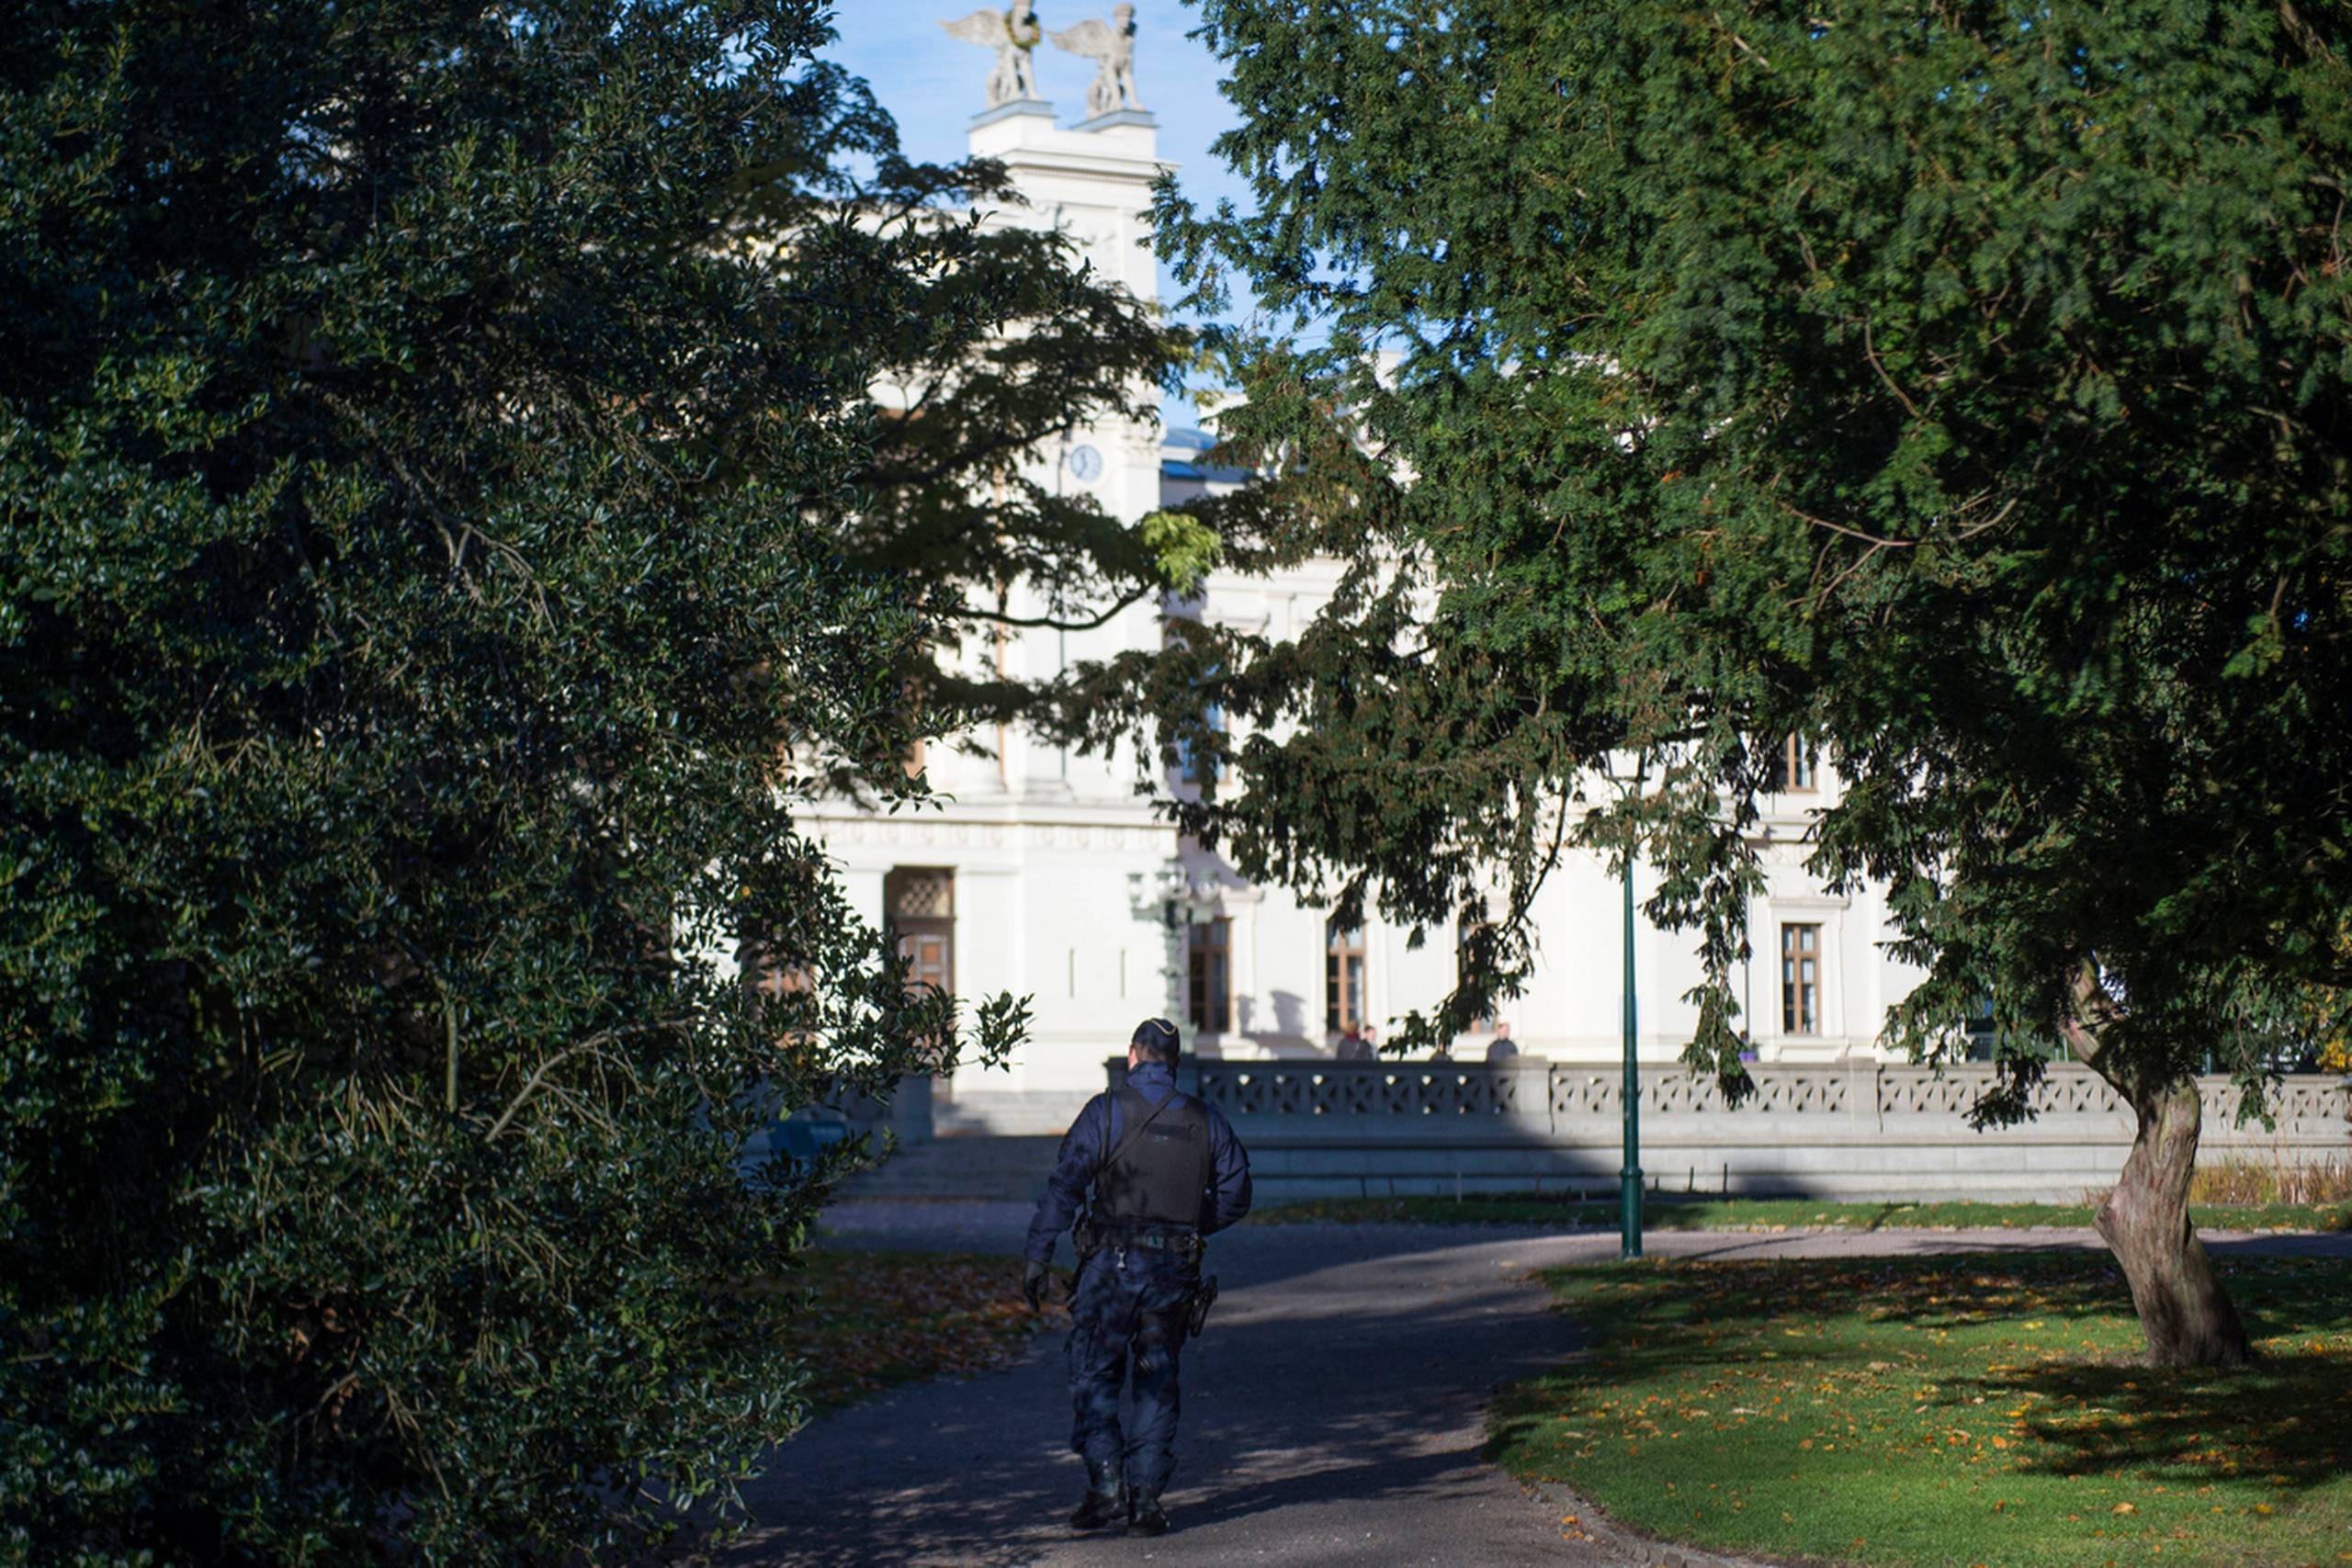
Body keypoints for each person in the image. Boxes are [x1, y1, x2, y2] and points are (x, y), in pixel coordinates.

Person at [1023, 1018, 1253, 1537]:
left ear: (1132, 1056)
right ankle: (1146, 1501)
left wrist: (1038, 1254)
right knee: (1157, 1378)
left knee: (1094, 1373)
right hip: (1172, 1273)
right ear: (1174, 1063)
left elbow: (1064, 1188)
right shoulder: (1205, 1119)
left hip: (1109, 1270)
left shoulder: (1104, 1114)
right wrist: (1193, 1223)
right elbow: (1238, 1196)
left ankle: (1106, 1482)